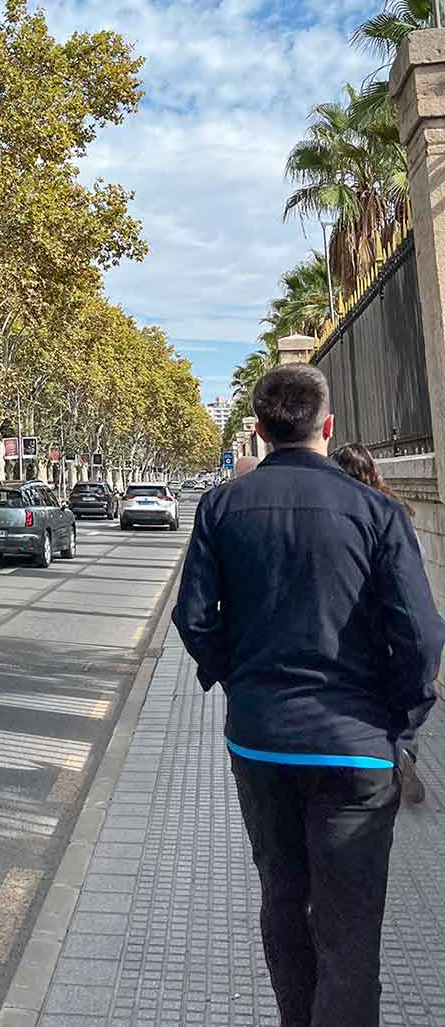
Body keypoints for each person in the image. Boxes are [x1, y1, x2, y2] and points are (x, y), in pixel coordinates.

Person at [173, 364, 445, 1027]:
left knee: (282, 897)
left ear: (261, 431)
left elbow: (194, 617)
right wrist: (400, 725)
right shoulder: (377, 511)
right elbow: (421, 635)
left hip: (261, 744)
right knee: (350, 931)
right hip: (356, 749)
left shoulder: (221, 507)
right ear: (327, 426)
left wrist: (238, 680)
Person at [333, 441, 426, 805]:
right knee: (399, 697)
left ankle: (393, 755)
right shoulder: (393, 511)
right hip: (397, 624)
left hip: (358, 634)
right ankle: (402, 750)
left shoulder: (343, 517)